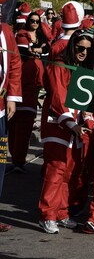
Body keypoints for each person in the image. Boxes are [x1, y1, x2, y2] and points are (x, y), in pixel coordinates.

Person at [38, 29, 93, 234]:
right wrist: (72, 124)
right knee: (56, 170)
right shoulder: (59, 65)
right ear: (72, 46)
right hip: (57, 123)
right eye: (80, 48)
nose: (83, 53)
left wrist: (87, 116)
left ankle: (61, 213)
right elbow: (58, 99)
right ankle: (47, 214)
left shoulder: (81, 67)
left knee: (69, 171)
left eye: (87, 50)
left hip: (74, 125)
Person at [8, 31, 43, 172]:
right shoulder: (36, 62)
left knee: (12, 134)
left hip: (11, 103)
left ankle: (11, 160)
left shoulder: (9, 59)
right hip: (27, 103)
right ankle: (18, 161)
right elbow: (42, 81)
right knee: (22, 135)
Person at [0, 19, 23, 232]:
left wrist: (13, 96)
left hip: (0, 108)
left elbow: (14, 62)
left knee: (0, 161)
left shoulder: (5, 31)